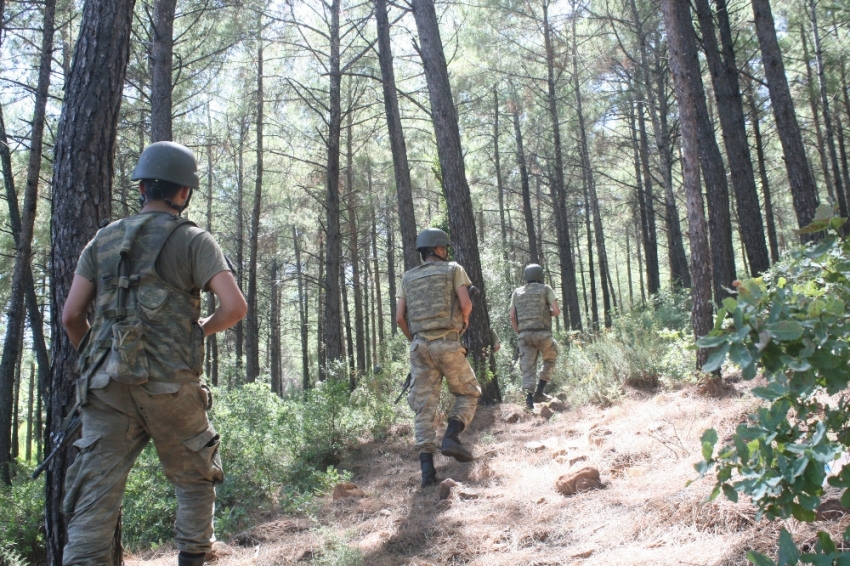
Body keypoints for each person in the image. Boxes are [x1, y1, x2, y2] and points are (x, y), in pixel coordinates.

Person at [60, 141, 247, 566]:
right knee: (195, 480)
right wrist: (202, 329)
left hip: (106, 387)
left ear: (142, 187)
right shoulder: (195, 241)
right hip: (170, 385)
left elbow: (72, 316)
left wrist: (98, 359)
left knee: (94, 501)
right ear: (183, 193)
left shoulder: (102, 241)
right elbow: (235, 307)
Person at [396, 228, 482, 487]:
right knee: (469, 393)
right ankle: (452, 437)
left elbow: (400, 318)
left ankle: (427, 473)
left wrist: (417, 342)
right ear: (439, 249)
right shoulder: (453, 269)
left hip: (419, 347)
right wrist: (464, 321)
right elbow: (466, 304)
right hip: (447, 342)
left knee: (424, 409)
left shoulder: (407, 277)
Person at [510, 263, 560, 411]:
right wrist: (545, 313)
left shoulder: (517, 292)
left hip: (524, 335)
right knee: (550, 358)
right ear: (540, 276)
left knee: (528, 368)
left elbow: (512, 316)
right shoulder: (545, 289)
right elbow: (556, 311)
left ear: (526, 277)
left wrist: (519, 331)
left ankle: (529, 401)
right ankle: (540, 392)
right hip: (543, 334)